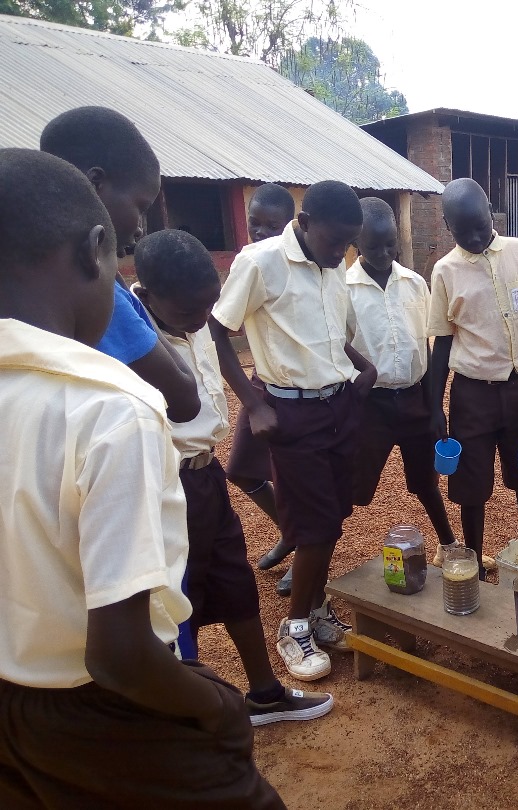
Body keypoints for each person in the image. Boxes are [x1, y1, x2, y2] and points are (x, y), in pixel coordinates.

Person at [0, 147, 283, 808]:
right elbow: (119, 656)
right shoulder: (108, 410)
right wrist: (219, 707)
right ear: (94, 250)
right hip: (99, 711)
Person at [133, 229, 334, 724]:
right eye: (189, 314)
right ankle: (187, 718)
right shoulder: (132, 336)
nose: (203, 321)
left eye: (209, 308)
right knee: (178, 599)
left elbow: (215, 349)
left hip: (204, 476)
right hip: (161, 484)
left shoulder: (194, 314)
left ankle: (264, 692)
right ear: (147, 294)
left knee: (234, 578)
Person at [210, 181, 377, 681]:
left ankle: (317, 609)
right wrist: (252, 403)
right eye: (332, 243)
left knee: (333, 516)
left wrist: (360, 365)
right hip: (291, 413)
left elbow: (324, 335)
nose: (339, 254)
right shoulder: (261, 262)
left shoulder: (331, 266)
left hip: (340, 406)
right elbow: (217, 329)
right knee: (314, 526)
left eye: (348, 245)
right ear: (303, 225)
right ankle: (295, 626)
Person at [39, 106, 200, 424]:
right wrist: (117, 281)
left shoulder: (28, 275)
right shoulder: (93, 289)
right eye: (141, 207)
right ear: (95, 184)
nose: (140, 226)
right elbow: (184, 399)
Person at [428, 178, 518, 578]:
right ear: (449, 227)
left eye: (481, 225)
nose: (476, 236)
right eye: (464, 231)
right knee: (471, 488)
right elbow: (442, 346)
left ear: (491, 211)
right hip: (472, 396)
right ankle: (476, 561)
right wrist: (435, 408)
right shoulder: (445, 271)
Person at [347, 197, 459, 561]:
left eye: (390, 243)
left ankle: (448, 546)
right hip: (370, 407)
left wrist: (433, 406)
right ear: (355, 243)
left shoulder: (414, 284)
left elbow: (424, 348)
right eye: (372, 245)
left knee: (427, 483)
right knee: (354, 488)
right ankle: (311, 554)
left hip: (414, 399)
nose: (383, 252)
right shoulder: (344, 289)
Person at [226, 184, 297, 595]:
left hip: (296, 382)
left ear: (290, 224)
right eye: (255, 223)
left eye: (272, 226)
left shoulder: (296, 262)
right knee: (239, 469)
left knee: (289, 475)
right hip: (265, 379)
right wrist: (252, 403)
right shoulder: (250, 263)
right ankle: (291, 531)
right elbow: (222, 326)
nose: (261, 232)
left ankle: (304, 545)